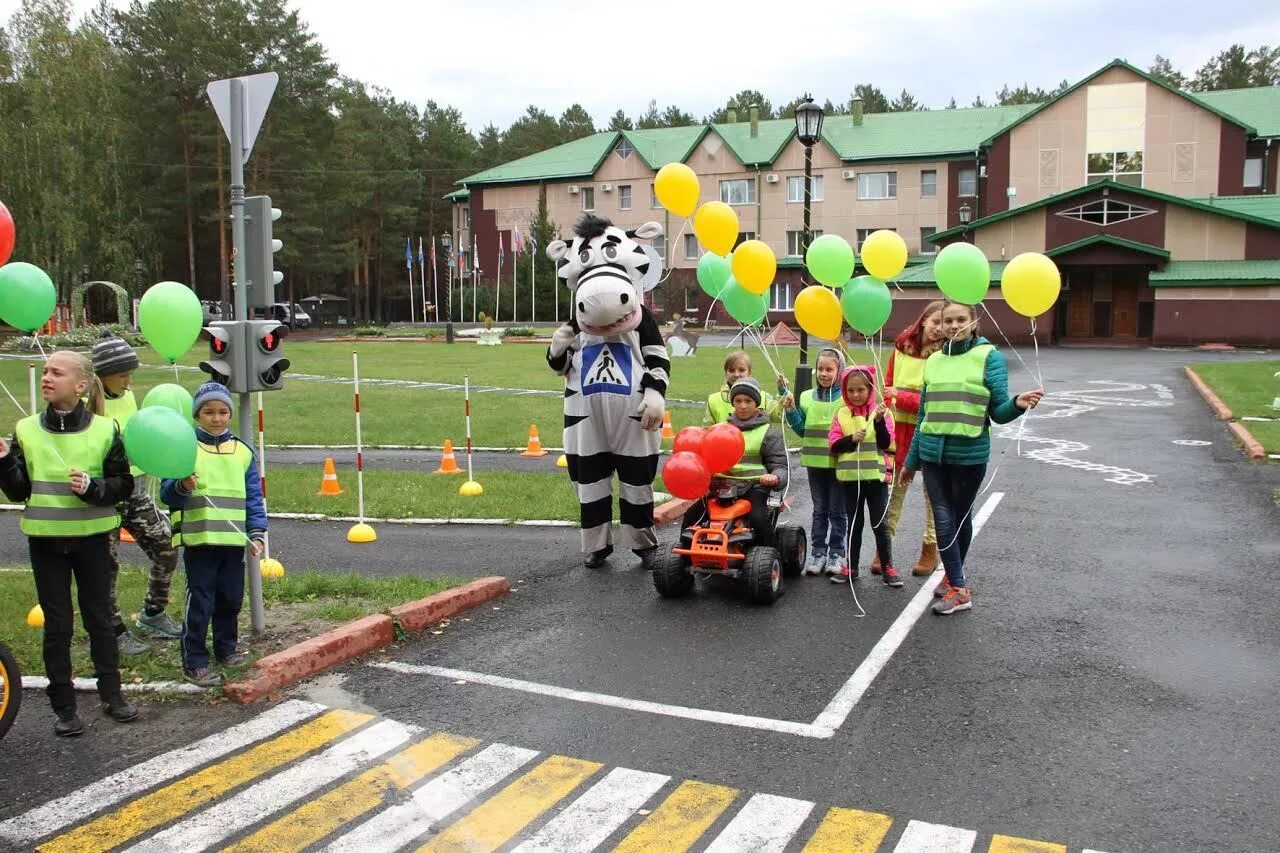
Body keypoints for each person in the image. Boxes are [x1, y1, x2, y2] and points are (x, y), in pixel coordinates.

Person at [0, 350, 137, 736]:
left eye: (56, 373)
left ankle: (113, 695)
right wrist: (4, 462)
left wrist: (94, 488)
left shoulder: (105, 430)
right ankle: (64, 707)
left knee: (100, 620)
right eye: (45, 371)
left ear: (80, 386)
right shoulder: (26, 429)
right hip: (46, 543)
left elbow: (123, 484)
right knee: (57, 626)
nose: (46, 378)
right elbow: (19, 489)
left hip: (92, 540)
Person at [902, 302, 1043, 615]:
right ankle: (957, 582)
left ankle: (956, 583)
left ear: (973, 321)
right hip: (932, 453)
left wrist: (1017, 403)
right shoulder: (934, 360)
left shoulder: (988, 357)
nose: (953, 325)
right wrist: (911, 462)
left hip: (969, 454)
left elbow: (998, 412)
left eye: (960, 320)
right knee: (943, 516)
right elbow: (924, 414)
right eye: (947, 320)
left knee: (959, 516)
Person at [160, 383, 266, 687]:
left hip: (233, 544)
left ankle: (226, 649)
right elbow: (168, 493)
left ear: (230, 414)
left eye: (222, 411)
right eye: (208, 412)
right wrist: (181, 486)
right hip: (200, 541)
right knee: (201, 601)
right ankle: (193, 659)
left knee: (230, 599)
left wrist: (256, 534)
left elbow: (253, 498)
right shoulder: (184, 450)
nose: (216, 418)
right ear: (197, 415)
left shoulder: (243, 453)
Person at [91, 333, 183, 655]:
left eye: (131, 374)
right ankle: (113, 631)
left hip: (136, 492)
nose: (129, 382)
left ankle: (153, 614)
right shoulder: (88, 404)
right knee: (106, 568)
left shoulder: (126, 396)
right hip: (104, 499)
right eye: (123, 375)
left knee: (167, 546)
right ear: (102, 375)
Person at [878, 301, 946, 577]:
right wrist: (886, 407)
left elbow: (935, 401)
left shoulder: (945, 356)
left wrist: (901, 397)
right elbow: (888, 384)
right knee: (894, 491)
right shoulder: (901, 346)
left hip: (929, 430)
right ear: (923, 321)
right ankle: (885, 549)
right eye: (935, 323)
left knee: (933, 495)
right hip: (900, 432)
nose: (940, 330)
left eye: (945, 324)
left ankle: (930, 549)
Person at [682, 377, 788, 547]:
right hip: (721, 486)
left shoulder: (767, 432)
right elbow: (706, 457)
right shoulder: (721, 430)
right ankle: (685, 556)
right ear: (733, 403)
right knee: (692, 515)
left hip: (753, 488)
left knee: (758, 517)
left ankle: (770, 553)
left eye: (748, 401)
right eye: (738, 401)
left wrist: (775, 477)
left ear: (757, 403)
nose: (743, 406)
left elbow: (779, 464)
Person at [828, 366, 900, 587]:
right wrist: (850, 439)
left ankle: (888, 566)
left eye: (860, 390)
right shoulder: (840, 414)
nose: (856, 395)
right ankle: (852, 567)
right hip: (851, 480)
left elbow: (885, 443)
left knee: (880, 524)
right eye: (850, 390)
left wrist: (877, 422)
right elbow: (833, 445)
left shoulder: (884, 413)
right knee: (854, 524)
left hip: (876, 479)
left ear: (870, 390)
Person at [779, 348, 848, 576]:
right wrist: (790, 410)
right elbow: (801, 429)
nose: (824, 373)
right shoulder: (806, 396)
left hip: (839, 465)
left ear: (840, 371)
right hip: (815, 464)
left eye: (830, 369)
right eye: (820, 369)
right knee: (820, 510)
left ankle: (837, 553)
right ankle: (818, 553)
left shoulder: (845, 398)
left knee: (837, 511)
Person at [704, 351, 781, 425]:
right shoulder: (713, 400)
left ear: (749, 372)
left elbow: (781, 416)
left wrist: (783, 392)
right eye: (731, 370)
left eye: (741, 370)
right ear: (725, 373)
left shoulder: (763, 397)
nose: (736, 374)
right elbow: (707, 430)